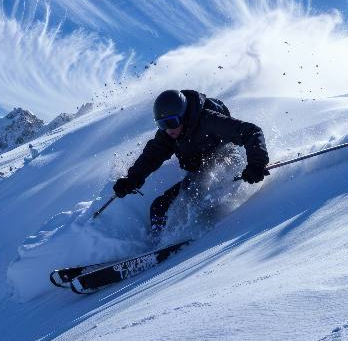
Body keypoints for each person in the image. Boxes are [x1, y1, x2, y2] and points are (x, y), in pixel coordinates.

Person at [113, 89, 269, 237]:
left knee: (192, 197)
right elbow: (150, 157)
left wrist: (256, 163)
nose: (168, 129)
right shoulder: (169, 134)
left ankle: (202, 235)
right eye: (162, 124)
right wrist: (131, 179)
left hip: (227, 162)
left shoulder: (208, 120)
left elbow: (252, 132)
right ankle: (159, 244)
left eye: (172, 122)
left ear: (182, 116)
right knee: (159, 207)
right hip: (201, 173)